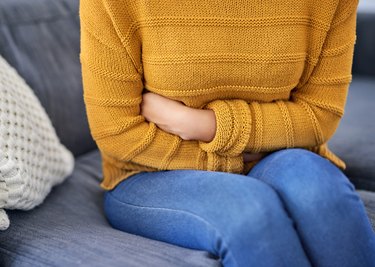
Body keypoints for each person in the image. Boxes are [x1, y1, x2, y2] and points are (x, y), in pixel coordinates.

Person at [79, 0, 375, 266]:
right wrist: (238, 155)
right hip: (150, 173)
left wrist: (200, 124)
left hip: (277, 157)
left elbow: (318, 116)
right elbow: (117, 132)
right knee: (248, 211)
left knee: (322, 194)